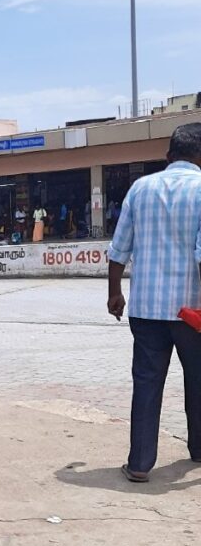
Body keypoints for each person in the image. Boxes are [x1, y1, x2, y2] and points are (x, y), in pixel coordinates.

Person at [107, 122, 201, 483]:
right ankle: (198, 449)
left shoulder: (140, 188)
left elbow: (119, 247)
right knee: (198, 380)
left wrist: (115, 293)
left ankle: (140, 464)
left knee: (147, 383)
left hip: (146, 309)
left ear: (168, 155)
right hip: (191, 311)